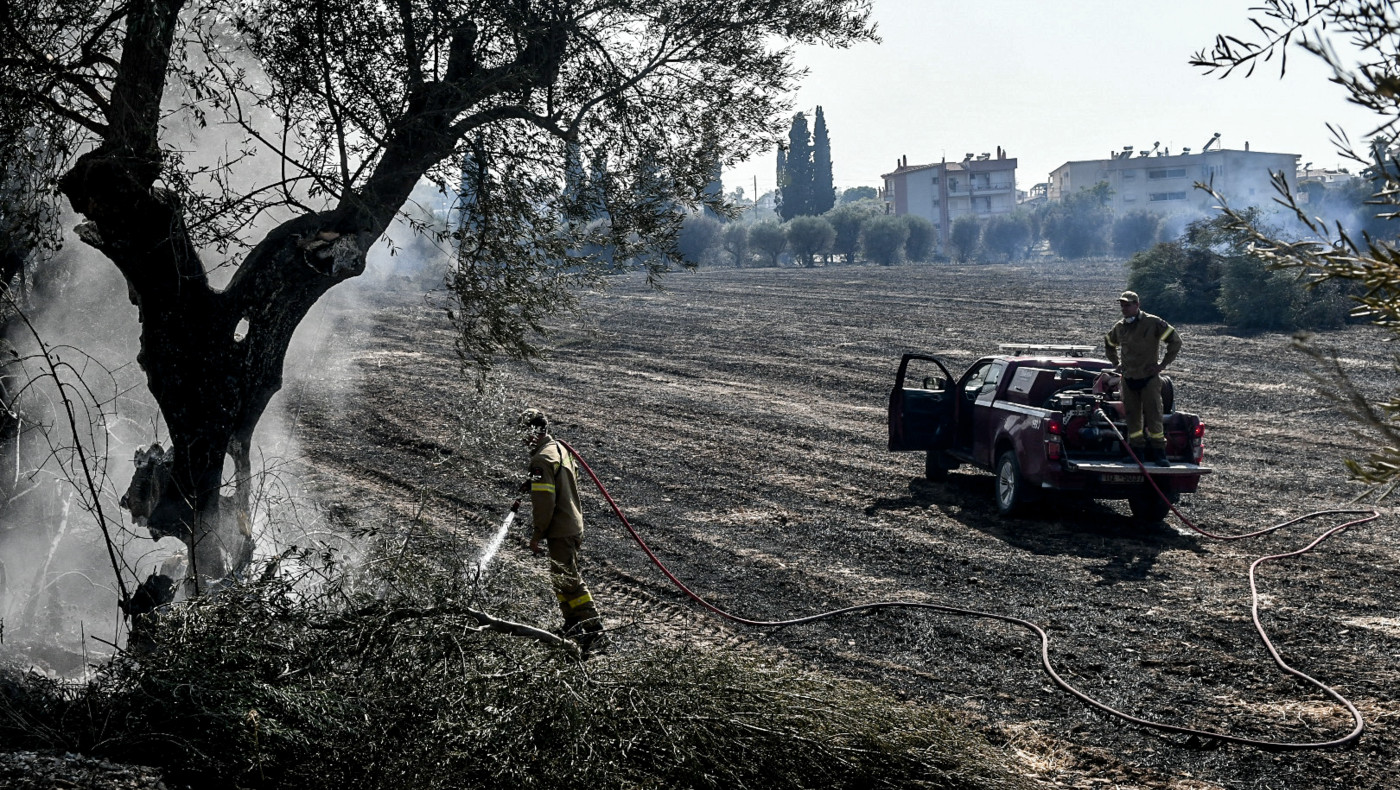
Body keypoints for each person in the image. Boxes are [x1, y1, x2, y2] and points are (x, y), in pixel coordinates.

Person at [518, 408, 605, 654]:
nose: (522, 439)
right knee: (561, 578)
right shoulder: (559, 449)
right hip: (573, 524)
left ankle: (595, 630)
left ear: (533, 432)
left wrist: (537, 534)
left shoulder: (540, 460)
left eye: (524, 433)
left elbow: (545, 504)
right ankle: (573, 626)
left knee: (569, 581)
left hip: (560, 529)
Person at [1103, 290, 1182, 466]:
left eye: (1128, 305)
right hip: (1128, 379)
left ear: (1137, 305)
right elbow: (1109, 343)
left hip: (1149, 379)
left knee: (1154, 415)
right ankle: (1136, 452)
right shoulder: (1120, 327)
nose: (1124, 308)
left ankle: (1159, 454)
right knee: (1132, 417)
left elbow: (1175, 341)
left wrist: (1162, 365)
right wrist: (1116, 362)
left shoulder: (1153, 322)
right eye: (1122, 305)